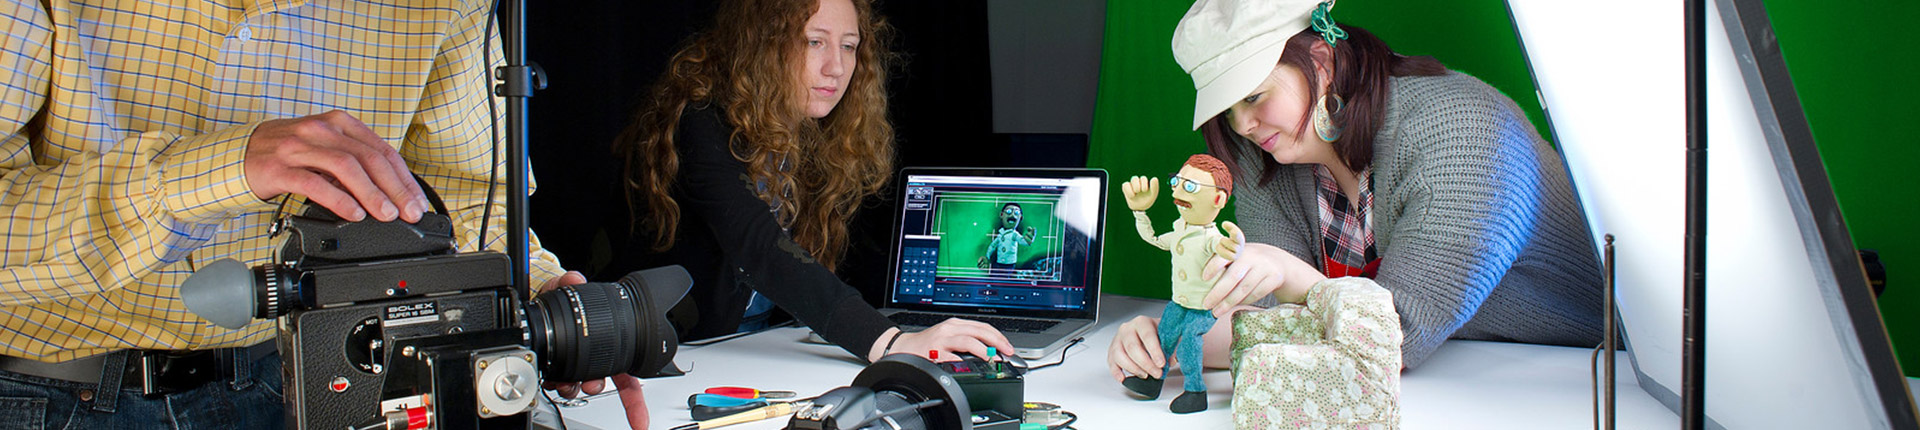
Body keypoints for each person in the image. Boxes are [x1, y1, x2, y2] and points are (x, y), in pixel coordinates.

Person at [0, 0, 648, 428]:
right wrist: (222, 170)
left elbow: (472, 201)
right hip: (59, 395)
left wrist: (540, 300)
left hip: (306, 382)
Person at [1108, 0, 1605, 385]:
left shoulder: (1463, 133)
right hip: (1462, 376)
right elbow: (1272, 322)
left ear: (1320, 60)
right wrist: (1168, 336)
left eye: (1254, 97)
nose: (1244, 125)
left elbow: (1396, 338)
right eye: (1227, 111)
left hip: (1600, 382)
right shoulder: (1274, 156)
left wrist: (1289, 273)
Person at [611, 0, 1014, 364]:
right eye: (814, 42)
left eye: (849, 46)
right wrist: (889, 342)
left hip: (763, 351)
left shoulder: (815, 128)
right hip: (668, 359)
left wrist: (957, 312)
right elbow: (762, 248)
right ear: (763, 44)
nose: (836, 68)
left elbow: (845, 265)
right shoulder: (700, 119)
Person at [1116, 154, 1239, 413]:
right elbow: (1156, 239)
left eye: (1190, 186)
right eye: (1177, 182)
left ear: (1218, 199)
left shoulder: (1209, 237)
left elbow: (1221, 247)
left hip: (1203, 308)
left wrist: (1232, 247)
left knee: (1188, 346)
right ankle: (1152, 381)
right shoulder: (1181, 229)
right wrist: (1140, 212)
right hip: (1179, 303)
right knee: (1164, 337)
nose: (1178, 191)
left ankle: (1195, 391)